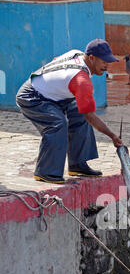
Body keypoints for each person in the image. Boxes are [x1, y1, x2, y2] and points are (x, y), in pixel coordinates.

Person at [16, 39, 123, 183]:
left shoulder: (77, 54)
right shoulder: (81, 80)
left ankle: (78, 164)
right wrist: (112, 135)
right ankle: (46, 172)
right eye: (104, 62)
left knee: (80, 114)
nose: (107, 66)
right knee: (58, 124)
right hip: (32, 96)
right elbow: (91, 116)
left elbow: (56, 63)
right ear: (91, 58)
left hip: (55, 96)